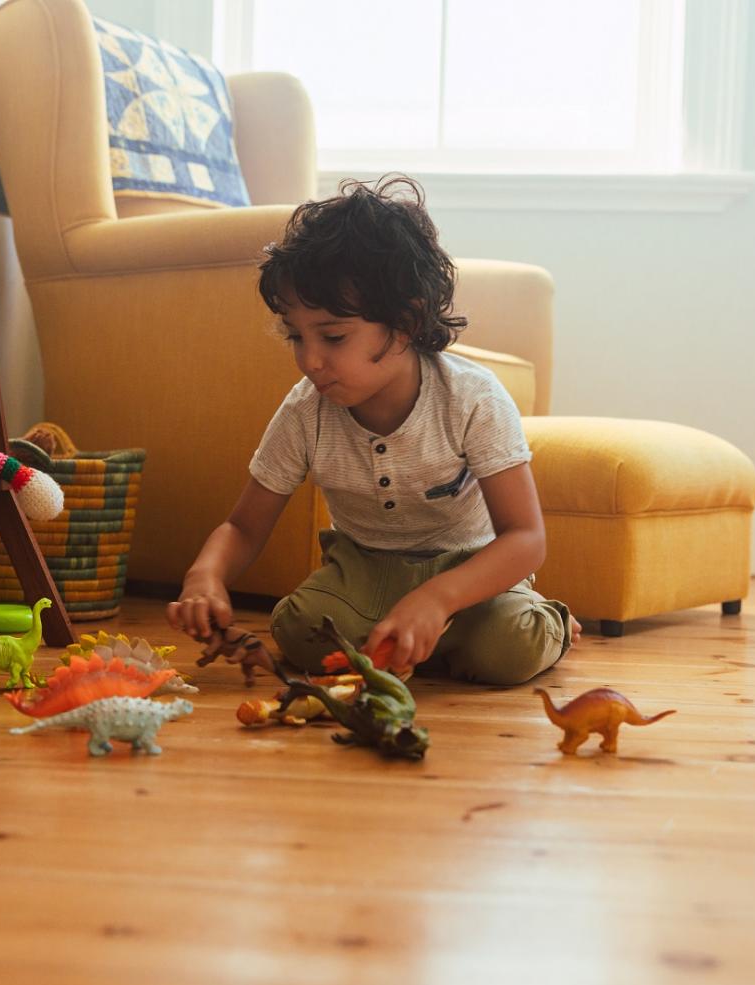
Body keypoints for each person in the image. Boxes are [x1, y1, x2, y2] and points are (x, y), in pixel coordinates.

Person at [167, 175, 578, 684]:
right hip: (365, 570)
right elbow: (245, 527)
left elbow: (526, 537)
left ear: (406, 322)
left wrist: (437, 599)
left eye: (334, 337)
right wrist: (204, 575)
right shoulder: (304, 413)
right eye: (297, 336)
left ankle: (540, 621)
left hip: (470, 574)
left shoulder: (472, 399)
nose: (310, 360)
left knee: (507, 651)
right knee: (298, 631)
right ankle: (421, 642)